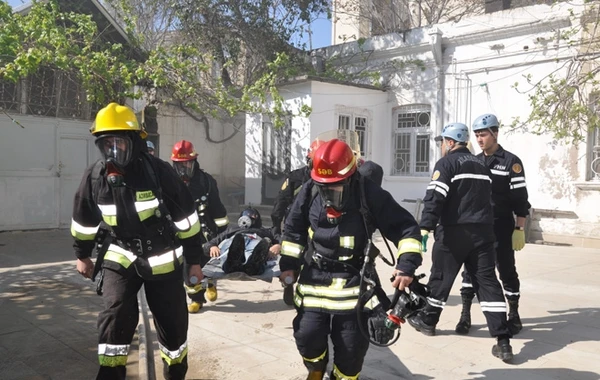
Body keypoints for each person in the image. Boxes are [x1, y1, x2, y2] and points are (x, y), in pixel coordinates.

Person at [71, 103, 204, 380]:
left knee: (173, 324)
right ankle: (110, 374)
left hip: (162, 256)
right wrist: (82, 255)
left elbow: (187, 221)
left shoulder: (159, 172)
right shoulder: (96, 177)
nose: (114, 150)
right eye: (107, 143)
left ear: (134, 142)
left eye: (119, 142)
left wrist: (194, 262)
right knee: (114, 315)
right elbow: (84, 220)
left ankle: (175, 372)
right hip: (120, 255)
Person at [279, 139, 423, 380]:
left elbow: (406, 228)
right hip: (315, 277)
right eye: (323, 187)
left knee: (350, 347)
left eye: (334, 188)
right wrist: (289, 265)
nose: (327, 195)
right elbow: (293, 229)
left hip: (353, 281)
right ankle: (316, 369)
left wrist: (406, 266)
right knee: (307, 335)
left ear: (350, 178)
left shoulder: (369, 194)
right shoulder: (310, 189)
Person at [407, 122, 514, 362]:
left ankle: (428, 321)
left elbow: (435, 197)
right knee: (488, 283)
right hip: (484, 233)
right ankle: (503, 341)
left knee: (441, 278)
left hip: (454, 233)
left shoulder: (447, 164)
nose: (442, 146)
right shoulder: (483, 166)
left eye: (443, 141)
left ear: (450, 142)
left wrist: (425, 227)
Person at [456, 114, 531, 336]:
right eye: (477, 135)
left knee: (506, 270)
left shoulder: (511, 162)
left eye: (484, 135)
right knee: (470, 272)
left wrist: (519, 228)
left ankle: (514, 314)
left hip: (501, 226)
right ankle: (465, 315)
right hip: (477, 227)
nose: (480, 139)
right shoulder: (475, 161)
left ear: (495, 133)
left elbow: (520, 198)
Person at [171, 139, 229, 313]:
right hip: (182, 233)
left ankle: (211, 282)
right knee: (187, 267)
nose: (184, 169)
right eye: (180, 165)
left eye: (187, 164)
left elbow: (218, 210)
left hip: (205, 232)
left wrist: (220, 237)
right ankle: (196, 298)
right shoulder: (170, 181)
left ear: (194, 162)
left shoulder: (206, 181)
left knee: (207, 263)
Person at [271, 139, 322, 305]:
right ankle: (288, 282)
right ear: (309, 160)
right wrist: (277, 230)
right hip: (296, 224)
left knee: (311, 258)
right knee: (292, 256)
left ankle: (307, 288)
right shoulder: (295, 177)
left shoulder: (327, 178)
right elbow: (280, 203)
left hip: (316, 226)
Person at [205, 207, 281, 276]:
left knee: (255, 248)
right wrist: (212, 246)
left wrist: (278, 245)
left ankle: (253, 266)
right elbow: (212, 241)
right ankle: (231, 264)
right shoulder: (232, 229)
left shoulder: (265, 231)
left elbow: (283, 241)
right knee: (231, 247)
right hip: (235, 240)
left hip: (255, 239)